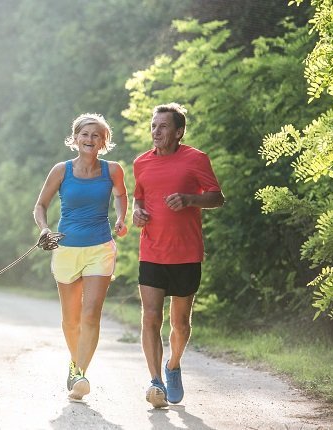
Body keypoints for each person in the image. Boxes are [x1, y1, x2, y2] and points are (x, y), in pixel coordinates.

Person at [132, 102, 225, 408]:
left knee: (180, 324)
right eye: (153, 126)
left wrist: (189, 199)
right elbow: (139, 198)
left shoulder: (196, 159)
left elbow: (216, 197)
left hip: (186, 253)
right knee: (150, 317)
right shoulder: (141, 162)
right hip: (152, 250)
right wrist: (137, 213)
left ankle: (173, 366)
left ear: (179, 131)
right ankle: (156, 381)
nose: (156, 132)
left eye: (163, 126)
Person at [33, 113, 128, 400]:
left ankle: (79, 373)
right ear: (75, 139)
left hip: (100, 248)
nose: (89, 139)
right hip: (66, 249)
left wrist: (121, 218)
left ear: (103, 141)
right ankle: (76, 365)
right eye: (85, 134)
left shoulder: (113, 170)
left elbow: (121, 196)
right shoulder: (62, 170)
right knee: (71, 319)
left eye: (96, 135)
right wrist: (45, 229)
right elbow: (40, 205)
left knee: (91, 314)